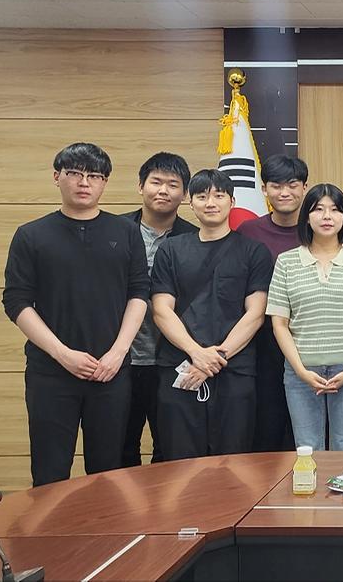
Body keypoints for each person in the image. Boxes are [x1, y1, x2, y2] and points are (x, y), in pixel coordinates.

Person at [3, 143, 149, 486]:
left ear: (105, 182)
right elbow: (16, 301)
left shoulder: (126, 232)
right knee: (50, 472)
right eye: (74, 174)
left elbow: (139, 292)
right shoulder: (31, 235)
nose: (84, 183)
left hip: (110, 371)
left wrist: (118, 353)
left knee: (108, 472)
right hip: (50, 373)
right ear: (57, 177)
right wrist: (62, 354)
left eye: (94, 176)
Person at [151, 169, 273, 460]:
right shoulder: (170, 250)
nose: (210, 203)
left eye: (219, 196)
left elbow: (255, 314)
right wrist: (196, 353)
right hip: (180, 367)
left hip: (235, 370)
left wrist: (214, 358)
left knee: (234, 460)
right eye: (202, 196)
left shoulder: (254, 251)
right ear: (190, 203)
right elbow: (161, 309)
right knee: (179, 460)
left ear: (232, 201)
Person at [267, 184, 343, 451]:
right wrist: (301, 371)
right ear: (307, 217)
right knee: (307, 449)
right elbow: (279, 324)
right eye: (318, 209)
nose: (327, 216)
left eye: (335, 209)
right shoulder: (286, 262)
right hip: (301, 371)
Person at [121, 152, 196, 467]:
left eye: (173, 184)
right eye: (156, 182)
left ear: (185, 193)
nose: (163, 190)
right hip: (120, 360)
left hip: (171, 360)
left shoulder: (195, 238)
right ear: (141, 186)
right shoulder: (113, 231)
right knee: (119, 447)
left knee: (169, 449)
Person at [237, 154, 308, 452]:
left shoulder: (318, 230)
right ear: (264, 189)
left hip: (308, 339)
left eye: (292, 185)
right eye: (276, 186)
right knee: (266, 425)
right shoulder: (248, 232)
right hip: (262, 341)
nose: (284, 192)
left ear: (305, 188)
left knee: (305, 429)